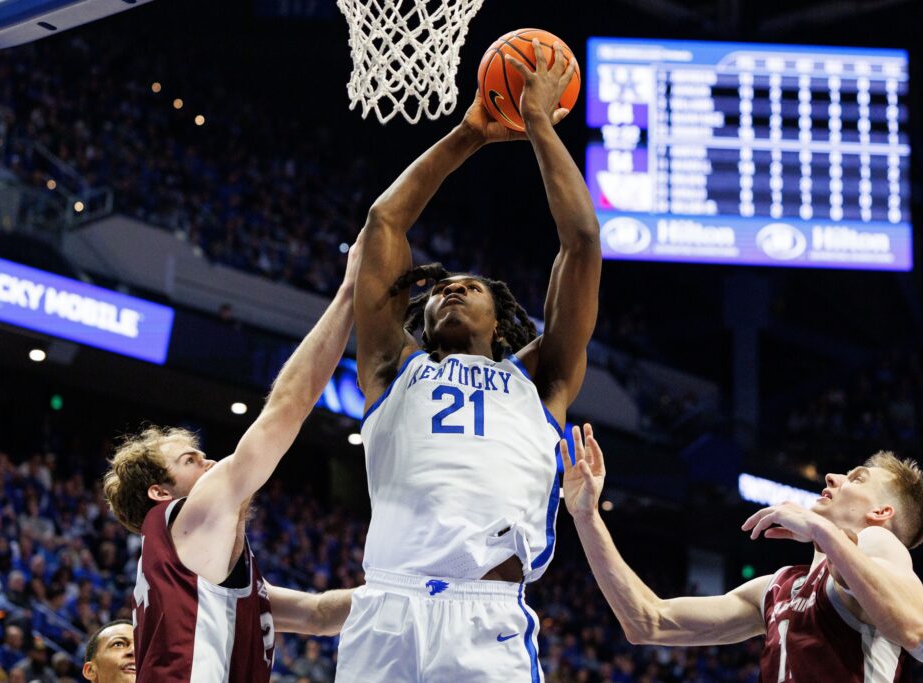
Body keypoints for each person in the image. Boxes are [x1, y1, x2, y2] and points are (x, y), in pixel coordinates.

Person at [338, 40, 599, 682]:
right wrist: (469, 133)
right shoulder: (391, 367)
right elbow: (383, 225)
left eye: (471, 285)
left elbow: (583, 241)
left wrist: (537, 122)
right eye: (440, 287)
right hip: (387, 606)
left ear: (502, 317)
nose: (451, 287)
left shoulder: (540, 380)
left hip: (486, 616)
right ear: (418, 317)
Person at [103, 242, 361, 682]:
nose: (212, 463)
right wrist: (350, 293)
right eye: (192, 460)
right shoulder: (179, 516)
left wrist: (413, 593)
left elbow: (319, 616)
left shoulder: (199, 573)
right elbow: (286, 408)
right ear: (160, 493)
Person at [560, 423, 923, 681]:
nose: (833, 477)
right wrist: (587, 516)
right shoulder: (777, 588)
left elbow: (910, 624)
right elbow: (648, 622)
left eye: (857, 479)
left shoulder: (879, 542)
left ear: (880, 513)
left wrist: (821, 530)